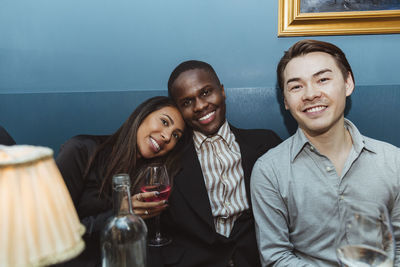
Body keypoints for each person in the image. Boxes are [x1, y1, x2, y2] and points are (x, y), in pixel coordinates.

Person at [251, 39, 400, 266]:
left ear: (348, 83)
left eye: (322, 79)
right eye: (296, 86)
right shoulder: (269, 171)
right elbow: (275, 257)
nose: (311, 94)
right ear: (286, 101)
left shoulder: (393, 161)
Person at [159, 60, 282, 267]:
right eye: (187, 102)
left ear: (222, 91)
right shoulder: (168, 160)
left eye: (206, 92)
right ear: (178, 109)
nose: (200, 106)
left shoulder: (265, 144)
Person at [55, 96, 186, 266]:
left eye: (176, 135)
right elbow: (52, 232)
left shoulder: (152, 178)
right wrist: (120, 214)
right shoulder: (81, 151)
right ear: (142, 114)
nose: (168, 136)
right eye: (164, 122)